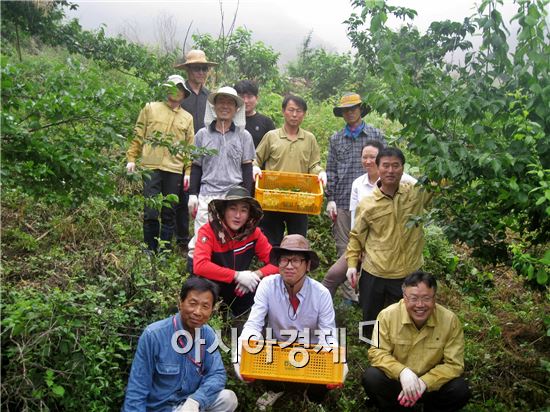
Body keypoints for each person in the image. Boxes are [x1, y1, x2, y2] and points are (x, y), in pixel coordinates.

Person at [235, 234, 342, 407]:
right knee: (252, 343)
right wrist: (241, 356)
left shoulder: (321, 294)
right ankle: (275, 387)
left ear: (307, 265)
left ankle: (313, 398)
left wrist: (336, 365)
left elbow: (328, 335)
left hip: (312, 353)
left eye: (296, 260)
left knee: (329, 360)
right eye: (284, 259)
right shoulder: (267, 285)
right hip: (278, 350)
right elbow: (254, 324)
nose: (289, 266)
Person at [346, 147, 433, 338]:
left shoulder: (416, 194)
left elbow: (439, 188)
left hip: (408, 272)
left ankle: (401, 357)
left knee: (406, 322)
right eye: (385, 166)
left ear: (403, 169)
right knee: (370, 320)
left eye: (396, 166)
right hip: (375, 271)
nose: (391, 171)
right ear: (378, 168)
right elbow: (356, 237)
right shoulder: (368, 204)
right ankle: (371, 354)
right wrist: (352, 265)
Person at [122, 277, 238, 412]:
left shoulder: (208, 334)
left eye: (205, 306)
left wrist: (196, 400)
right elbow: (137, 388)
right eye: (193, 303)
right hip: (160, 409)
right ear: (181, 302)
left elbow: (217, 374)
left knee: (227, 398)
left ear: (212, 310)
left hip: (190, 406)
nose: (197, 312)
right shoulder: (153, 335)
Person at [363, 271, 470, 411]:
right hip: (398, 382)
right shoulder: (386, 316)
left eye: (426, 298)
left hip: (431, 386)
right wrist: (402, 372)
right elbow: (376, 352)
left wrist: (425, 382)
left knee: (460, 389)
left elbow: (454, 364)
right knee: (372, 377)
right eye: (413, 298)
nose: (420, 305)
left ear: (434, 298)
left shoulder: (450, 321)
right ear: (404, 297)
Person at [322, 141, 416, 299]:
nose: (368, 161)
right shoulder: (358, 183)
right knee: (331, 277)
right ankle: (322, 316)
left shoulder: (400, 180)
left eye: (372, 157)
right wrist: (358, 250)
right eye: (364, 157)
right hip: (361, 245)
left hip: (387, 251)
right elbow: (355, 222)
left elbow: (422, 192)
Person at [325, 92, 386, 303]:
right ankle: (350, 297)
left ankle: (368, 293)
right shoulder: (336, 139)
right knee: (345, 248)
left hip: (375, 201)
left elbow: (387, 166)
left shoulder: (375, 135)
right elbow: (331, 170)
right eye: (345, 110)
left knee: (374, 248)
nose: (350, 113)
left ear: (360, 109)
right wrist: (329, 199)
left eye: (353, 108)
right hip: (343, 201)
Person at [126, 75, 194, 252]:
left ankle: (164, 251)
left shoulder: (187, 118)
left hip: (174, 169)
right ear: (166, 89)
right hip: (151, 167)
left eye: (180, 88)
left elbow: (190, 148)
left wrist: (188, 172)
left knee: (169, 211)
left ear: (184, 93)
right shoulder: (150, 108)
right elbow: (138, 134)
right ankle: (150, 248)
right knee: (151, 210)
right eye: (172, 87)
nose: (176, 91)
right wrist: (131, 158)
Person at [187, 86, 256, 263]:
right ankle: (196, 280)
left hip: (233, 197)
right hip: (207, 195)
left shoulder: (244, 136)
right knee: (200, 241)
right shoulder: (202, 134)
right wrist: (193, 194)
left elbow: (247, 168)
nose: (225, 106)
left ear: (236, 109)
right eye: (221, 102)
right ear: (214, 106)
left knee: (228, 242)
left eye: (230, 103)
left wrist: (246, 198)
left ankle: (223, 280)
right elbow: (196, 166)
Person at [193, 186, 278, 318]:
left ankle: (244, 320)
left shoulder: (254, 233)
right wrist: (237, 275)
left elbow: (277, 262)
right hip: (213, 287)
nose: (238, 215)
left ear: (249, 214)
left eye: (243, 210)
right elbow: (200, 266)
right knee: (197, 287)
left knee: (269, 284)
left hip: (239, 288)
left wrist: (254, 276)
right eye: (233, 209)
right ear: (224, 210)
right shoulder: (208, 231)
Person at [254, 95, 326, 246]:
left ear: (304, 114)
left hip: (300, 200)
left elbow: (313, 165)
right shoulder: (271, 136)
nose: (294, 114)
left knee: (297, 242)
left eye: (298, 111)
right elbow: (257, 159)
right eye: (291, 110)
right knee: (271, 242)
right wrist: (254, 167)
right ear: (283, 111)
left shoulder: (309, 139)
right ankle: (271, 269)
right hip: (272, 199)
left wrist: (320, 172)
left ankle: (296, 269)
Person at [173, 50, 217, 254]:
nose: (201, 72)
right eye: (197, 68)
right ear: (188, 70)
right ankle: (182, 239)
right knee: (183, 195)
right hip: (181, 153)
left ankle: (203, 238)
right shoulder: (181, 95)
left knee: (202, 194)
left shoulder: (210, 97)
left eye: (204, 68)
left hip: (205, 155)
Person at [233, 80, 276, 148]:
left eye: (249, 97)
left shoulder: (266, 123)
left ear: (257, 98)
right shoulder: (229, 120)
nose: (245, 101)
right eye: (241, 97)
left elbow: (273, 147)